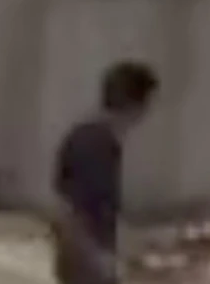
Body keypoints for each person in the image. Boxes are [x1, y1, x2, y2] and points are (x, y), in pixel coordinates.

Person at [51, 60, 159, 284]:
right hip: (86, 267)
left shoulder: (92, 138)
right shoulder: (95, 145)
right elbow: (69, 212)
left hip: (85, 261)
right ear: (136, 106)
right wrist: (98, 259)